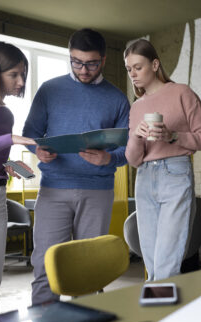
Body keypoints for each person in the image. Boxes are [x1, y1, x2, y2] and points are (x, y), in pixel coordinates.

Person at [22, 28, 130, 305]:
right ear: (69, 57)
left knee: (89, 269)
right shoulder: (49, 90)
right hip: (54, 189)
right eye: (76, 62)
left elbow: (129, 147)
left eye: (91, 63)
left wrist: (110, 158)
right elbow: (31, 132)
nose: (83, 69)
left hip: (98, 190)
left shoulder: (117, 98)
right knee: (46, 261)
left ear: (104, 60)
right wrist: (38, 150)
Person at [124, 39, 201, 281]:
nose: (133, 74)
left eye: (138, 67)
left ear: (155, 65)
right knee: (152, 262)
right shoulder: (136, 107)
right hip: (144, 177)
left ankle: (161, 310)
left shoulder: (181, 92)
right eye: (129, 69)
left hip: (175, 173)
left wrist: (172, 136)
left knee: (167, 260)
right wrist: (135, 136)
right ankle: (160, 309)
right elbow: (133, 160)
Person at [0, 41, 36, 318]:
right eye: (14, 74)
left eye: (24, 75)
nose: (20, 81)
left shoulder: (5, 113)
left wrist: (10, 164)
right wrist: (12, 139)